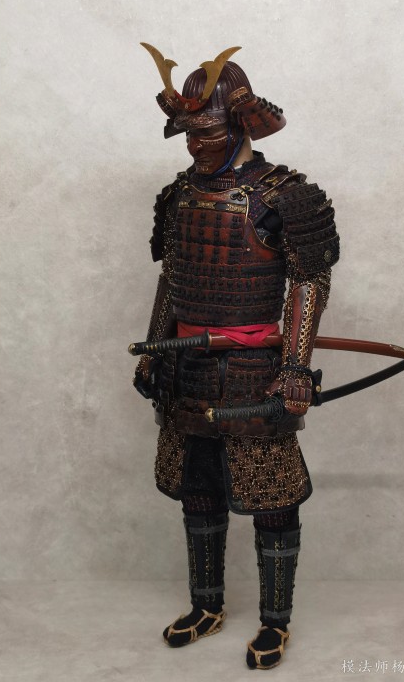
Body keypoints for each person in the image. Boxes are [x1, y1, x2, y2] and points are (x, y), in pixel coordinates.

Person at [133, 44, 339, 670]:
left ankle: (275, 622)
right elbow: (172, 280)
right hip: (187, 365)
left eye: (208, 132)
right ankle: (207, 606)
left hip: (254, 371)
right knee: (199, 492)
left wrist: (295, 367)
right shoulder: (178, 195)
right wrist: (154, 349)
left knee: (271, 496)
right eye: (188, 134)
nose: (195, 145)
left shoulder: (284, 197)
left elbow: (309, 282)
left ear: (240, 125)